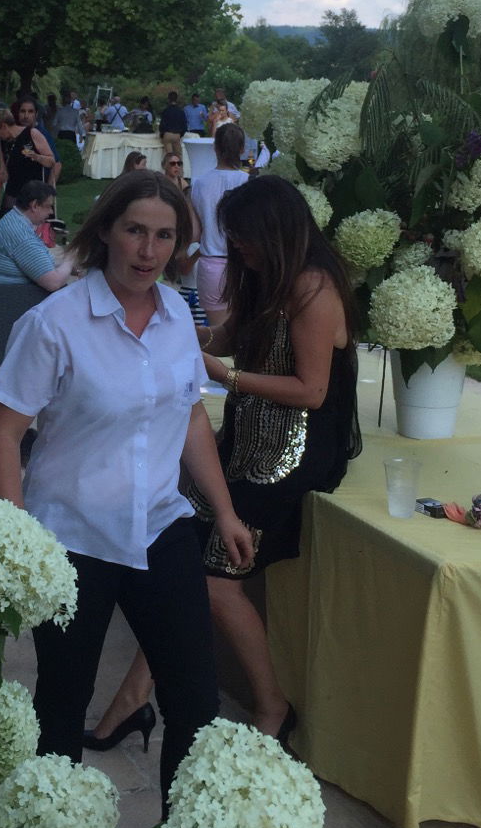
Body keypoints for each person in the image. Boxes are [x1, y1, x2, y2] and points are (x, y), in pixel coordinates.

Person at [0, 171, 253, 801]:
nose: (148, 250)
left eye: (164, 236)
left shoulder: (177, 318)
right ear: (106, 229)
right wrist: (20, 544)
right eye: (135, 230)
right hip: (72, 540)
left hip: (160, 526)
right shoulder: (55, 324)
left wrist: (225, 511)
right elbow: (3, 435)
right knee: (61, 702)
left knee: (195, 700)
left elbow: (190, 416)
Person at [89, 175, 360, 750]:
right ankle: (134, 698)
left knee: (213, 582)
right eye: (232, 237)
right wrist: (167, 326)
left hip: (295, 453)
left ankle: (273, 705)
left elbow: (312, 391)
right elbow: (225, 337)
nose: (236, 247)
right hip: (248, 436)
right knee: (180, 558)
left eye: (243, 237)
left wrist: (226, 376)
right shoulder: (267, 278)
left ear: (275, 231)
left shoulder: (314, 289)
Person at [188, 124, 248, 325]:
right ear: (242, 149)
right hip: (243, 263)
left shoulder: (199, 184)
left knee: (218, 332)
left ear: (215, 148)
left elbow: (195, 233)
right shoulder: (249, 182)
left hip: (211, 265)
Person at [0, 180, 70, 291]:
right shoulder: (21, 235)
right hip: (16, 296)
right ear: (34, 205)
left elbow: (39, 266)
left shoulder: (13, 219)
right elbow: (53, 283)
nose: (51, 212)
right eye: (48, 206)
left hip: (6, 292)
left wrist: (65, 268)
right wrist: (70, 259)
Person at [0, 100, 55, 215]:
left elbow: (51, 161)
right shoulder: (2, 142)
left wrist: (36, 157)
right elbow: (4, 174)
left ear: (4, 126)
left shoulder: (31, 134)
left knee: (30, 223)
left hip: (33, 192)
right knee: (6, 223)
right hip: (13, 192)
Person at [159, 91, 187, 159]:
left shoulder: (166, 110)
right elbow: (184, 125)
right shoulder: (181, 111)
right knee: (178, 156)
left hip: (167, 134)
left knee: (169, 156)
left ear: (168, 99)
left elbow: (162, 125)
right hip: (177, 135)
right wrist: (180, 134)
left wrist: (162, 134)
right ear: (176, 99)